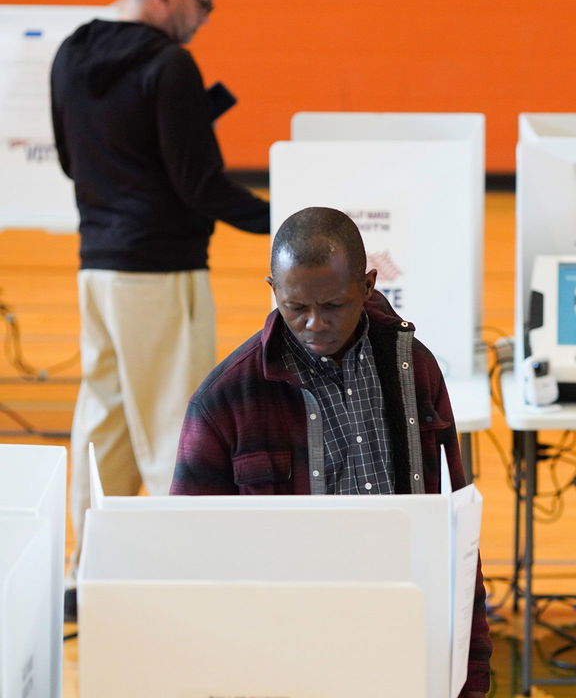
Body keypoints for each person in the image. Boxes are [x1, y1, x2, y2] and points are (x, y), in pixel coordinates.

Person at [170, 207, 491, 697]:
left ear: (367, 286)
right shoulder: (223, 402)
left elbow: (458, 534)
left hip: (403, 642)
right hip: (281, 662)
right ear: (273, 289)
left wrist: (472, 676)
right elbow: (188, 563)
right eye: (296, 307)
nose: (315, 324)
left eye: (335, 305)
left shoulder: (416, 371)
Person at [50, 0, 270, 615]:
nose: (205, 18)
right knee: (177, 424)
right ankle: (181, 584)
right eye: (202, 3)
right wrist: (285, 221)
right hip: (159, 270)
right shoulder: (170, 66)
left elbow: (67, 162)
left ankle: (87, 575)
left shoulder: (73, 50)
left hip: (97, 270)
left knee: (105, 423)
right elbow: (201, 185)